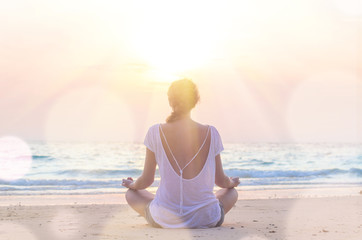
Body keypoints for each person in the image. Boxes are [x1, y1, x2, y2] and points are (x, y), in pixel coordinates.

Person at [122, 79, 239, 228]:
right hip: (206, 218)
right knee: (231, 192)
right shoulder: (211, 132)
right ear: (196, 101)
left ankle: (167, 207)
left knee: (132, 194)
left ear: (170, 101)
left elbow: (146, 181)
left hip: (165, 219)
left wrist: (131, 184)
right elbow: (221, 181)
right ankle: (199, 208)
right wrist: (232, 183)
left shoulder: (154, 132)